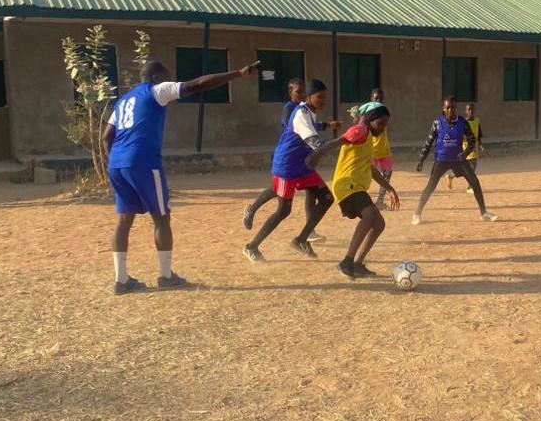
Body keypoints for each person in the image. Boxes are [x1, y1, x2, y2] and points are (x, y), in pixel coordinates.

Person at [102, 59, 259, 294]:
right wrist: (238, 73)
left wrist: (116, 160)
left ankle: (121, 280)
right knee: (161, 218)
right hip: (143, 161)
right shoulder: (157, 90)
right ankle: (166, 276)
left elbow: (106, 137)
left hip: (117, 164)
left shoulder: (123, 101)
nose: (170, 82)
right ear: (156, 77)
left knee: (124, 220)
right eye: (167, 77)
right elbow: (197, 85)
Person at [243, 79, 336, 263]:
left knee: (326, 198)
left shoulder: (309, 111)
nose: (323, 101)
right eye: (320, 97)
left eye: (325, 97)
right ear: (309, 97)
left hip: (302, 164)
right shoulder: (301, 114)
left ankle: (301, 239)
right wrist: (344, 142)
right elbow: (315, 143)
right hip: (287, 165)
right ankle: (251, 247)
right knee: (284, 210)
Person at [307, 102, 399, 278]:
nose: (383, 128)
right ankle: (347, 261)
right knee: (370, 214)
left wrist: (390, 189)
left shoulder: (369, 138)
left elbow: (371, 169)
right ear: (370, 119)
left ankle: (357, 264)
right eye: (381, 123)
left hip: (355, 187)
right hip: (346, 185)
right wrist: (315, 156)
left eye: (385, 125)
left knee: (379, 224)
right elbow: (337, 141)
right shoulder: (360, 130)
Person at [412, 96, 498, 225]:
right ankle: (417, 214)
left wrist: (465, 153)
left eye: (453, 107)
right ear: (444, 109)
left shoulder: (463, 123)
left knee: (475, 182)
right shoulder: (437, 123)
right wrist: (421, 159)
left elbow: (472, 140)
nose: (450, 110)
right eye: (448, 108)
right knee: (431, 186)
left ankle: (484, 213)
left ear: (456, 109)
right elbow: (428, 142)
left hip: (458, 160)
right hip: (441, 160)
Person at [366, 88, 395, 210]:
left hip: (384, 150)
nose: (378, 101)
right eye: (376, 98)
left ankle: (380, 201)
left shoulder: (384, 112)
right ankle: (364, 202)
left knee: (387, 175)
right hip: (371, 150)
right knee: (367, 176)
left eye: (380, 99)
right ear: (371, 99)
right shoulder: (367, 114)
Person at [446, 102, 483, 194]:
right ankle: (469, 187)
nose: (471, 111)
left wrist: (480, 144)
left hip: (474, 149)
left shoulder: (477, 121)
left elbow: (479, 134)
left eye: (472, 110)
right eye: (469, 110)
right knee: (470, 168)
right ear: (466, 111)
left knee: (468, 168)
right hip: (465, 148)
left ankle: (451, 176)